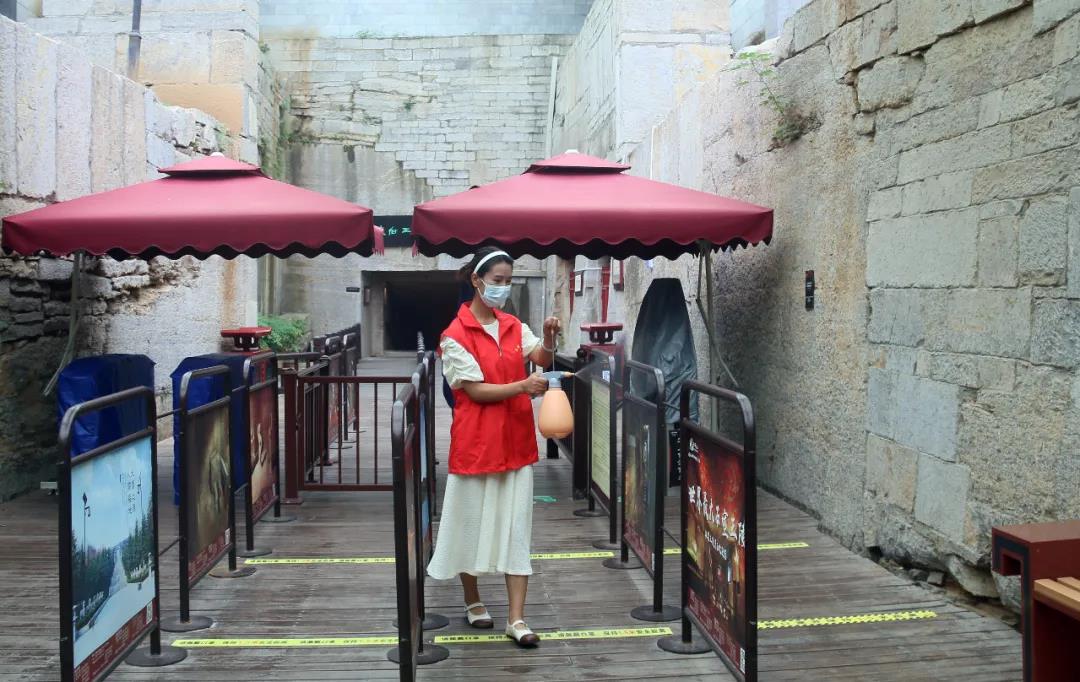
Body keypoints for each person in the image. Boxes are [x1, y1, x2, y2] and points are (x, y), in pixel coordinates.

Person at [427, 246, 560, 648]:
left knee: (517, 529)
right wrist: (522, 386)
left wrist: (549, 338)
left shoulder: (514, 325)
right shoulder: (454, 335)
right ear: (477, 280)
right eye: (497, 281)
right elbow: (474, 390)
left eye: (508, 281)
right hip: (475, 444)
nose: (503, 287)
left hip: (515, 443)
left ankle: (516, 618)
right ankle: (473, 599)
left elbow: (542, 357)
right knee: (469, 524)